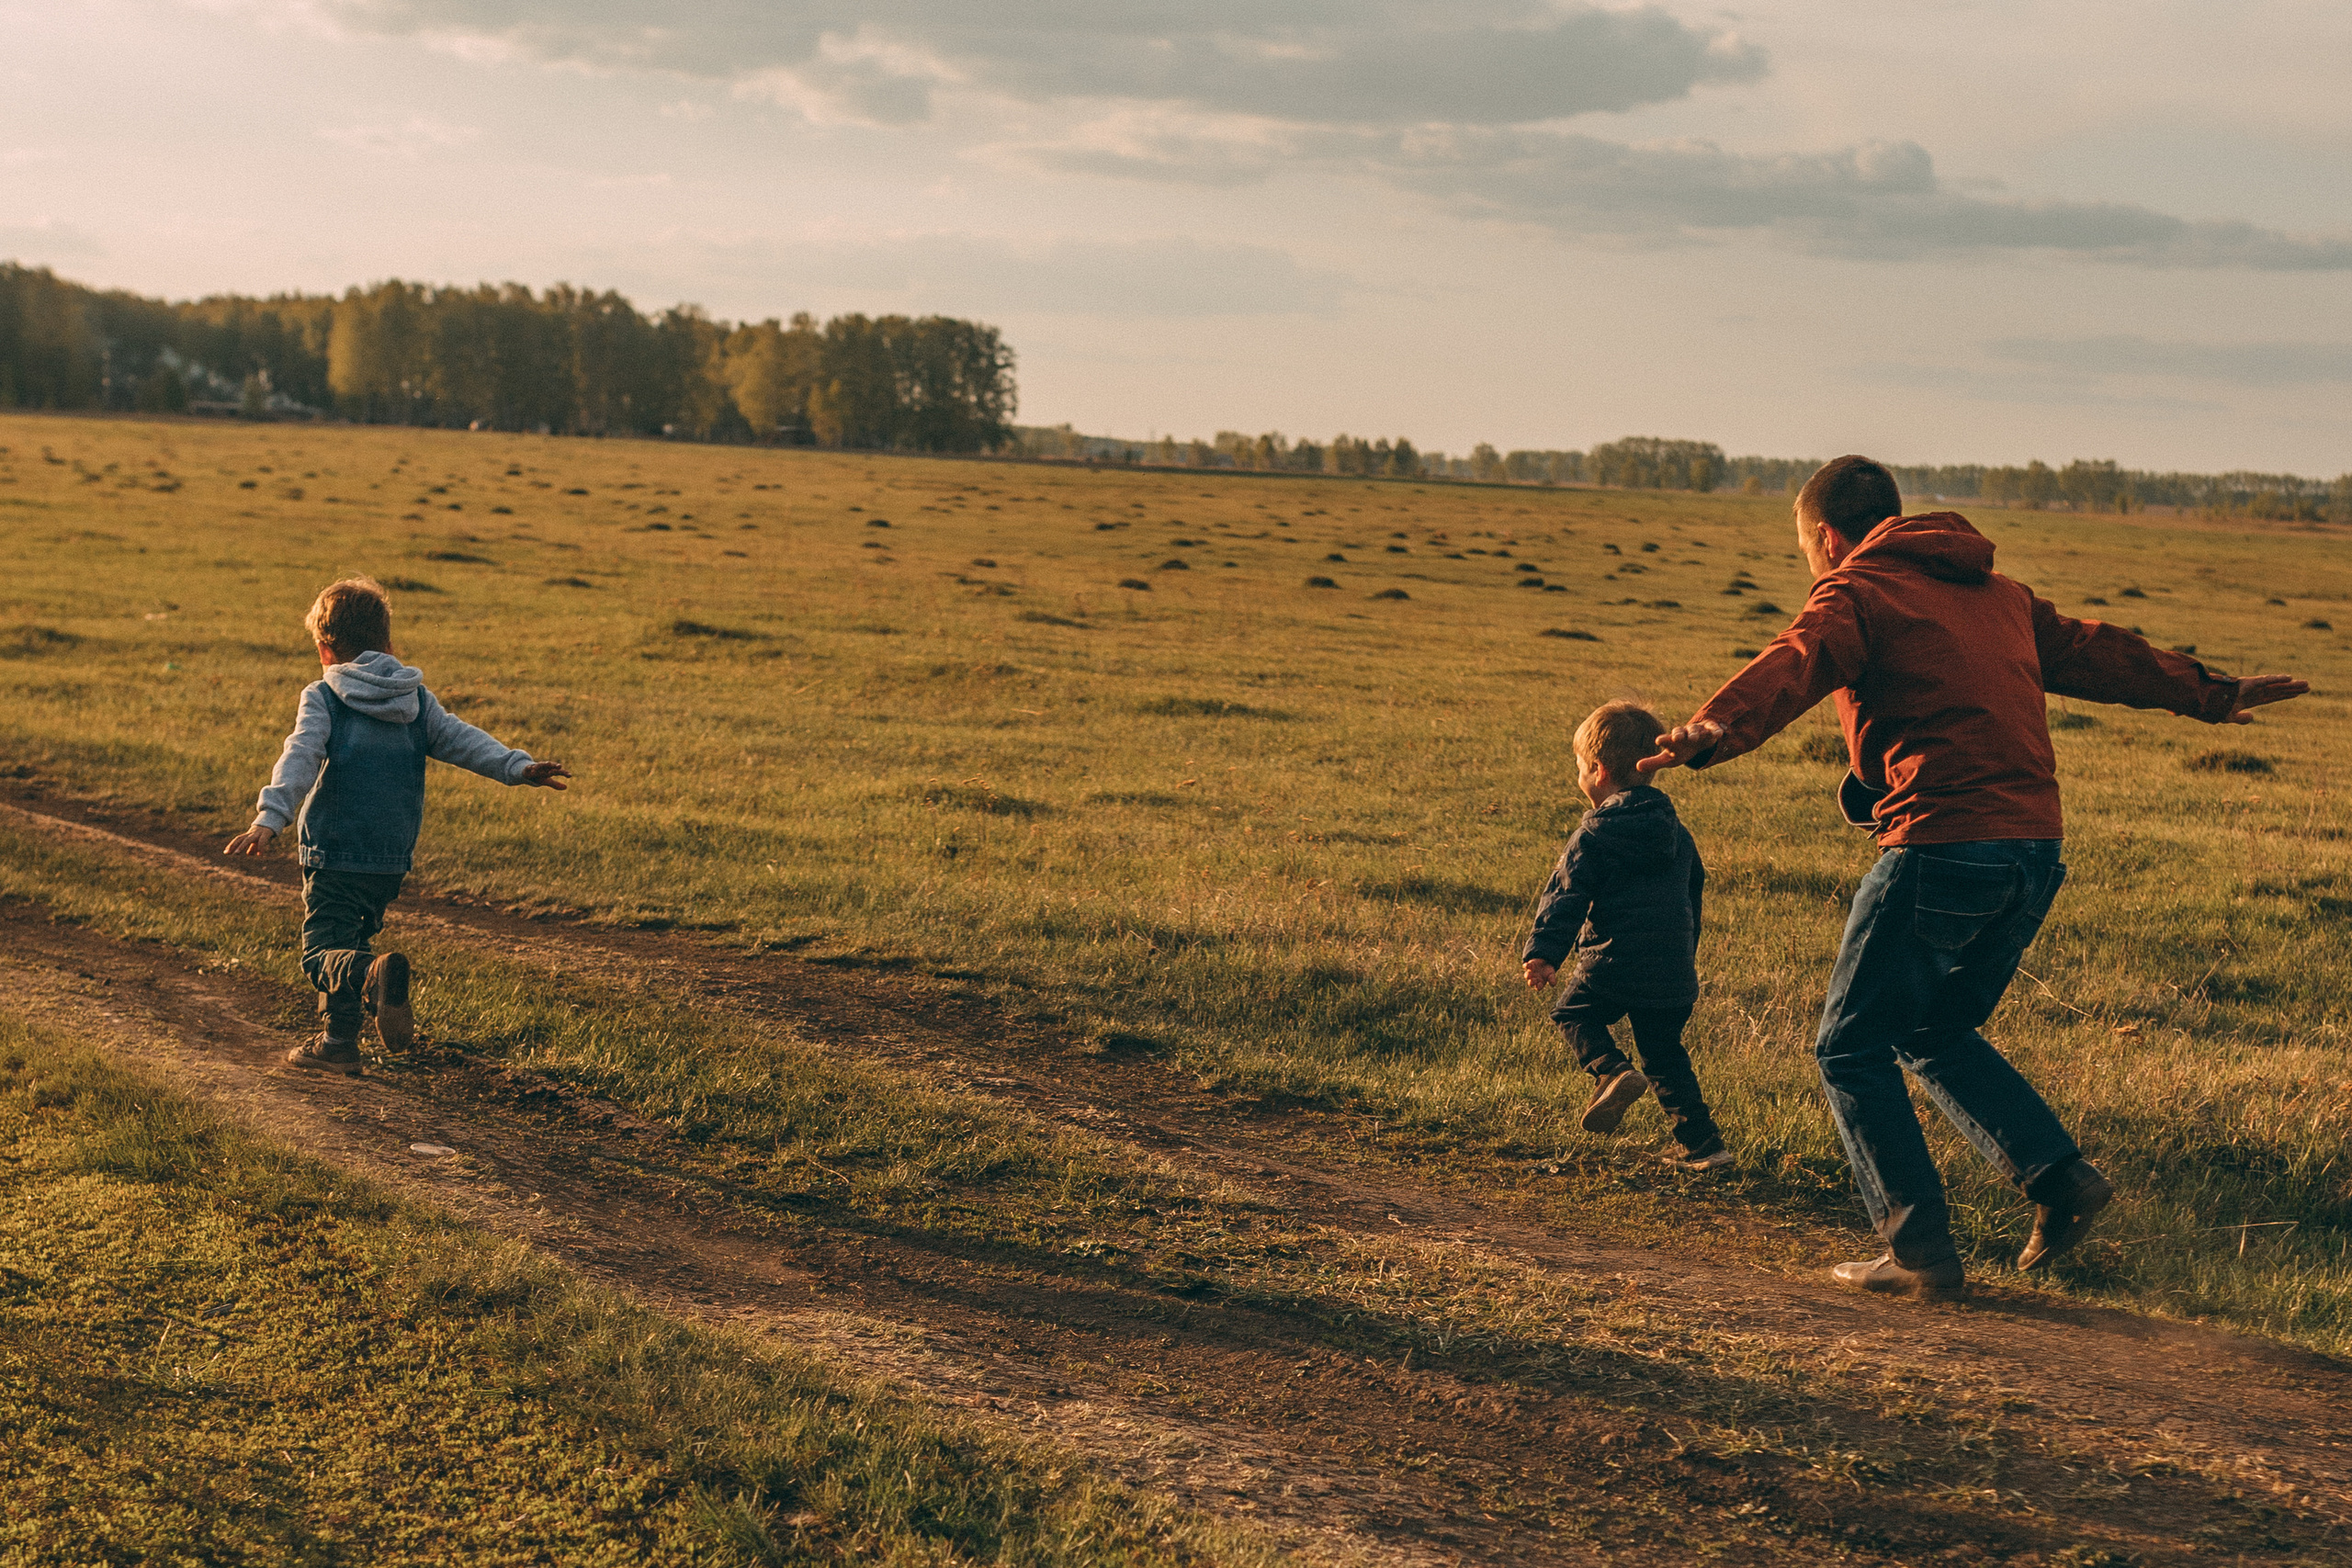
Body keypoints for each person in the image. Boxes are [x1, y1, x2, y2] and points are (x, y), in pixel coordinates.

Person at [1637, 456, 2306, 1300]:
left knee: (1849, 1045)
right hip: (2035, 850)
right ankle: (2060, 1180)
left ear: (1828, 537)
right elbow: (2102, 654)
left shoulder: (1856, 588)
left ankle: (1916, 1248)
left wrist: (1712, 727)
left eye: (1808, 550)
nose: (1813, 565)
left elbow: (1797, 659)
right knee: (1932, 1029)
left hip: (1942, 843)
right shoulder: (2003, 594)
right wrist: (2211, 691)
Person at [223, 578, 571, 1074]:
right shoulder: (418, 702)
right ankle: (339, 1042)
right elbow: (463, 740)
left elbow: (299, 755)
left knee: (324, 951)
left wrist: (270, 818)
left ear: (325, 651)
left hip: (333, 851)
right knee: (353, 940)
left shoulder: (324, 696)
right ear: (388, 643)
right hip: (390, 857)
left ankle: (369, 978)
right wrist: (519, 767)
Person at [1523, 699, 1730, 1173]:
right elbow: (1692, 897)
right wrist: (1682, 955)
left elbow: (1566, 896)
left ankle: (1610, 1070)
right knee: (1665, 1057)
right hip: (1672, 968)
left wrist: (1544, 953)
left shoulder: (1595, 832)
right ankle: (1705, 1148)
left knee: (1573, 1012)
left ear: (1597, 771)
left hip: (1614, 961)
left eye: (1578, 766)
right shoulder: (1678, 832)